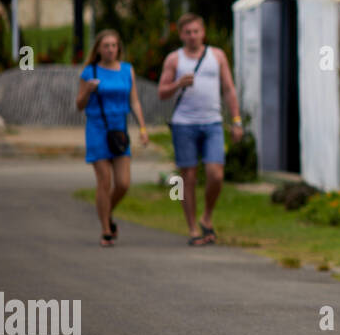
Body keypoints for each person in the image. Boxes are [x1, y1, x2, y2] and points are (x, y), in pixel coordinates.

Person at [159, 13, 244, 246]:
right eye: (188, 32)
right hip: (184, 124)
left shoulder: (217, 56)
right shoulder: (174, 60)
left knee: (216, 174)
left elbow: (228, 89)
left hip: (212, 122)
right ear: (181, 35)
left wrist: (236, 120)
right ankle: (193, 227)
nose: (193, 36)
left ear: (203, 33)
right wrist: (177, 84)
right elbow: (162, 92)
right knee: (188, 177)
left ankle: (207, 215)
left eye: (196, 31)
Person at [75, 29, 149, 247]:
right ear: (98, 49)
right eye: (105, 45)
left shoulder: (127, 70)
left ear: (119, 48)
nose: (110, 49)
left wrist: (143, 128)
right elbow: (79, 105)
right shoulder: (90, 72)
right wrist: (87, 90)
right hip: (97, 128)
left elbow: (134, 101)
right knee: (104, 180)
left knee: (124, 183)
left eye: (113, 45)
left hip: (119, 130)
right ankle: (106, 230)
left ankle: (106, 212)